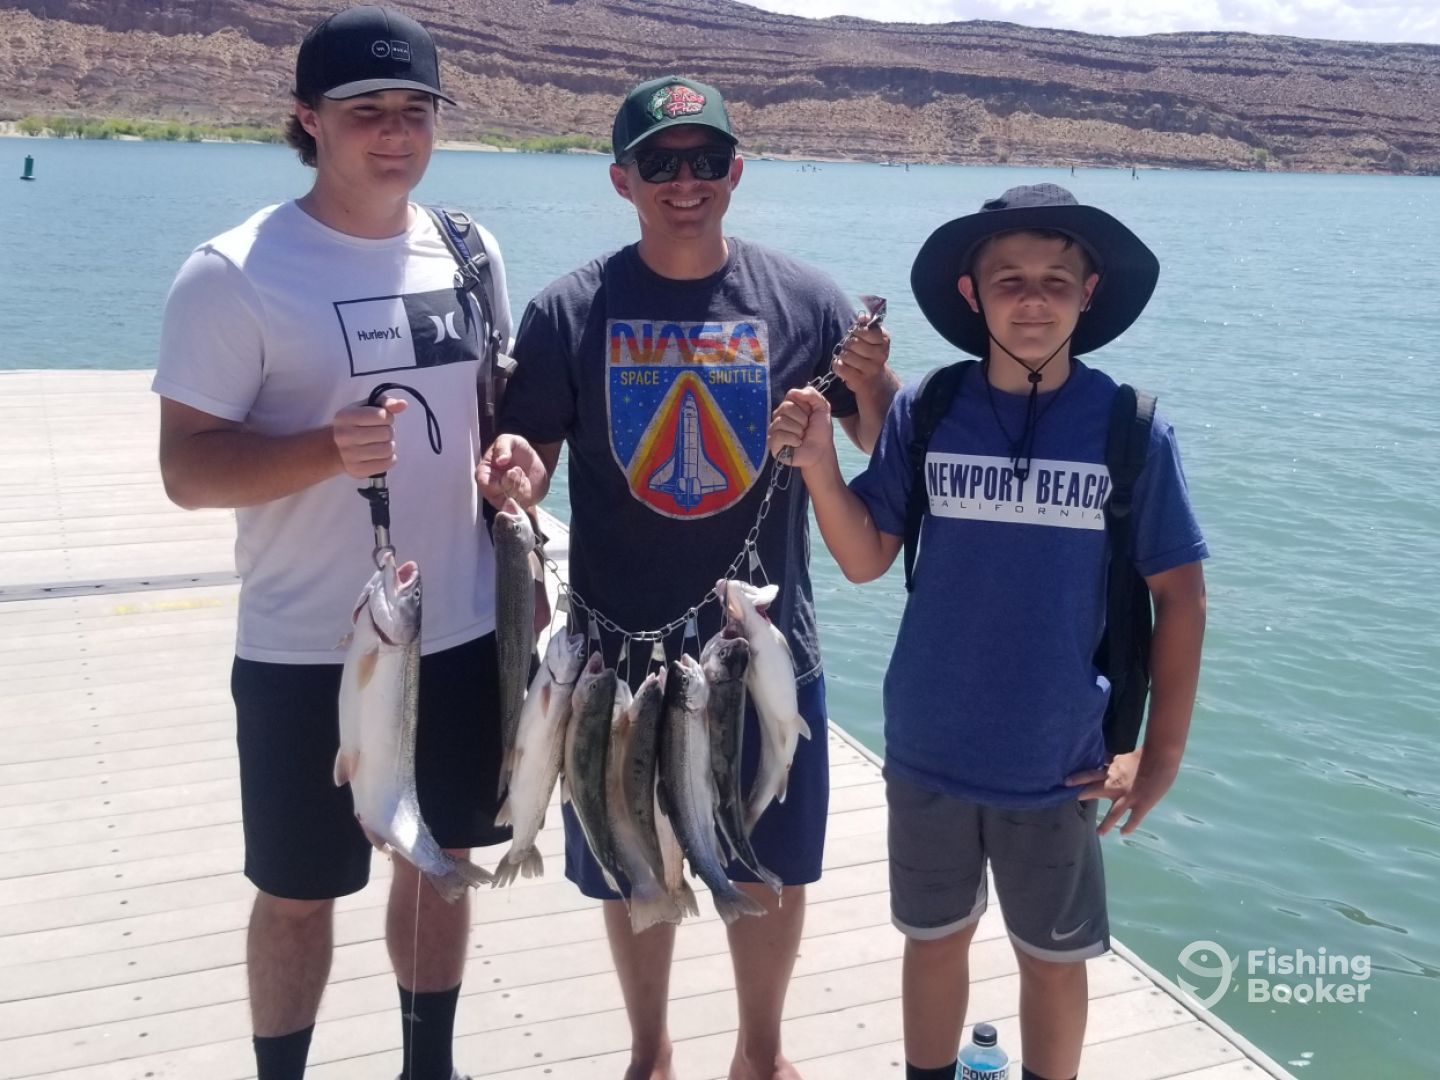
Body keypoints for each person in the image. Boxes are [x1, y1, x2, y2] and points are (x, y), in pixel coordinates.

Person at [478, 76, 898, 1080]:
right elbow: (531, 459)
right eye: (658, 163)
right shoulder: (568, 309)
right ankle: (650, 1052)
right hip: (614, 658)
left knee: (771, 862)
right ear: (621, 179)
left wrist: (875, 380)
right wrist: (516, 474)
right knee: (633, 854)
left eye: (705, 159)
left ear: (735, 171)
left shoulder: (807, 301)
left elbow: (880, 442)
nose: (684, 180)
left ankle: (762, 1052)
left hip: (758, 648)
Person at [769, 184, 1208, 1080]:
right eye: (1009, 280)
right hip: (928, 744)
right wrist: (819, 465)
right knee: (933, 940)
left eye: (1055, 280)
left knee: (1053, 959)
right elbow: (867, 556)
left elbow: (1181, 595)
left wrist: (1158, 754)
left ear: (1089, 294)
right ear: (972, 294)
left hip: (1059, 760)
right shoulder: (930, 410)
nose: (1032, 300)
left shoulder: (1130, 429)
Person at [153, 8, 513, 1079]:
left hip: (460, 630)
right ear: (308, 120)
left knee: (439, 863)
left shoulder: (469, 249)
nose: (395, 134)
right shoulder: (234, 272)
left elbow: (488, 414)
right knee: (299, 890)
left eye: (415, 110)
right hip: (310, 648)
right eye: (366, 113)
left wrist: (513, 461)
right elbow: (187, 471)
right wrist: (322, 450)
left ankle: (428, 1066)